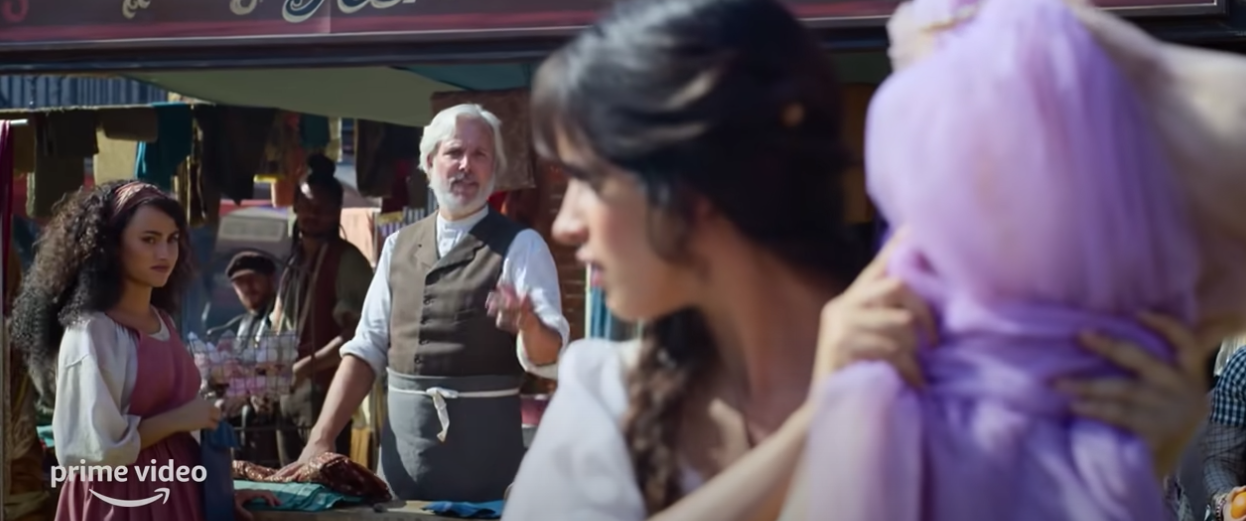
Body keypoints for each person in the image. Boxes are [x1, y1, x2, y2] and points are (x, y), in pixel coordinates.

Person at [500, 0, 1211, 519]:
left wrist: (1138, 457)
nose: (564, 225)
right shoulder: (606, 395)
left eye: (589, 179)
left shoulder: (978, 380)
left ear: (694, 183)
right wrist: (826, 417)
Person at [282, 103, 569, 503]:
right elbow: (366, 348)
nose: (466, 165)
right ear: (430, 162)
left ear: (494, 169)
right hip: (402, 468)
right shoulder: (398, 245)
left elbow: (548, 356)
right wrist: (322, 437)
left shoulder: (522, 247)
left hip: (485, 471)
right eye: (454, 152)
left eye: (480, 154)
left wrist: (528, 324)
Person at [10, 181, 277, 521]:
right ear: (109, 245)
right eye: (149, 240)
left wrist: (221, 493)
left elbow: (182, 434)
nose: (164, 253)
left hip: (179, 493)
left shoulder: (162, 321)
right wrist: (180, 419)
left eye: (172, 240)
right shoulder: (92, 331)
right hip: (120, 500)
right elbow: (91, 449)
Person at [269, 154, 374, 465]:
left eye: (324, 209)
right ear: (296, 207)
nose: (314, 215)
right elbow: (278, 322)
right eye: (308, 206)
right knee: (287, 486)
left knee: (321, 483)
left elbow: (356, 336)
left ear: (336, 213)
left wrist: (304, 368)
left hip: (323, 392)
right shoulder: (293, 258)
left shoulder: (348, 261)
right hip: (286, 388)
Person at [205, 251, 278, 343]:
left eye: (253, 278)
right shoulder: (241, 326)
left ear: (272, 279)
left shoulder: (282, 317)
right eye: (240, 282)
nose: (247, 286)